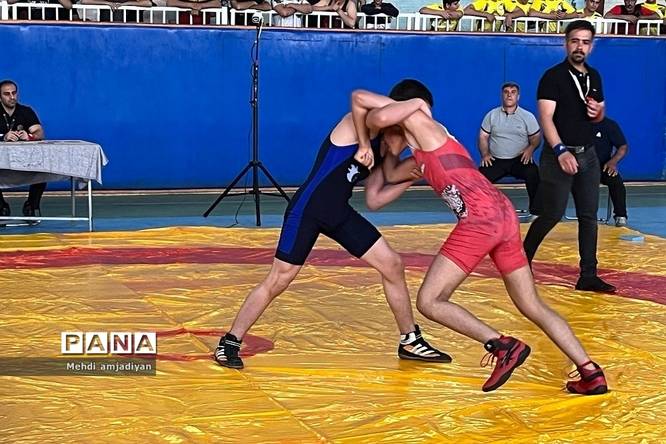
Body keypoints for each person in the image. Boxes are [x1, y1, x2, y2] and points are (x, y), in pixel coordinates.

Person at [351, 79, 608, 395]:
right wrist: (392, 153)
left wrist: (375, 136)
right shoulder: (423, 148)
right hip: (502, 214)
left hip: (480, 219)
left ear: (398, 112)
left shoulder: (419, 120)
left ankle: (502, 346)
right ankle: (590, 371)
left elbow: (371, 108)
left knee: (430, 301)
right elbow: (379, 192)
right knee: (531, 304)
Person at [214, 86, 450, 370]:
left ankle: (410, 340)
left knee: (392, 264)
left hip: (338, 212)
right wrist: (366, 144)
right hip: (308, 209)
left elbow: (375, 200)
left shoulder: (384, 151)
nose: (412, 139)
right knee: (279, 278)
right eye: (409, 128)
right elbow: (358, 98)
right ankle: (229, 342)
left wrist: (413, 176)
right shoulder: (363, 124)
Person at [523, 20, 616, 294]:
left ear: (591, 46)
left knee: (589, 216)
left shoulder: (594, 76)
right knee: (552, 214)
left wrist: (597, 112)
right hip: (558, 155)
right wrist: (560, 150)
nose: (580, 47)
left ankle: (588, 275)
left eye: (585, 42)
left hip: (588, 154)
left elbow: (599, 115)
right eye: (575, 41)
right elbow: (546, 118)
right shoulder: (553, 77)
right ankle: (520, 261)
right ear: (566, 43)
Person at [478, 82, 542, 217]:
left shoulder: (527, 116)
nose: (509, 95)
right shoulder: (491, 115)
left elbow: (536, 137)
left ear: (518, 96)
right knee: (478, 179)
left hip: (520, 160)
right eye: (506, 92)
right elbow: (483, 136)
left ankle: (536, 212)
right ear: (502, 95)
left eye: (513, 92)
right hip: (496, 160)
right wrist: (485, 154)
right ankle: (483, 212)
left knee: (533, 174)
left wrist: (530, 149)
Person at [0, 80, 46, 218]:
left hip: (25, 160)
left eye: (14, 93)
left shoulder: (26, 111)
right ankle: (1, 207)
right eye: (7, 94)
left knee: (43, 172)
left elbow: (39, 132)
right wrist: (3, 137)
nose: (12, 97)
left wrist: (30, 136)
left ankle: (32, 206)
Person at [592, 117, 629, 226]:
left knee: (616, 181)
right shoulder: (576, 123)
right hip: (579, 167)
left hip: (602, 167)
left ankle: (620, 216)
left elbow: (623, 146)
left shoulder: (609, 125)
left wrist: (613, 161)